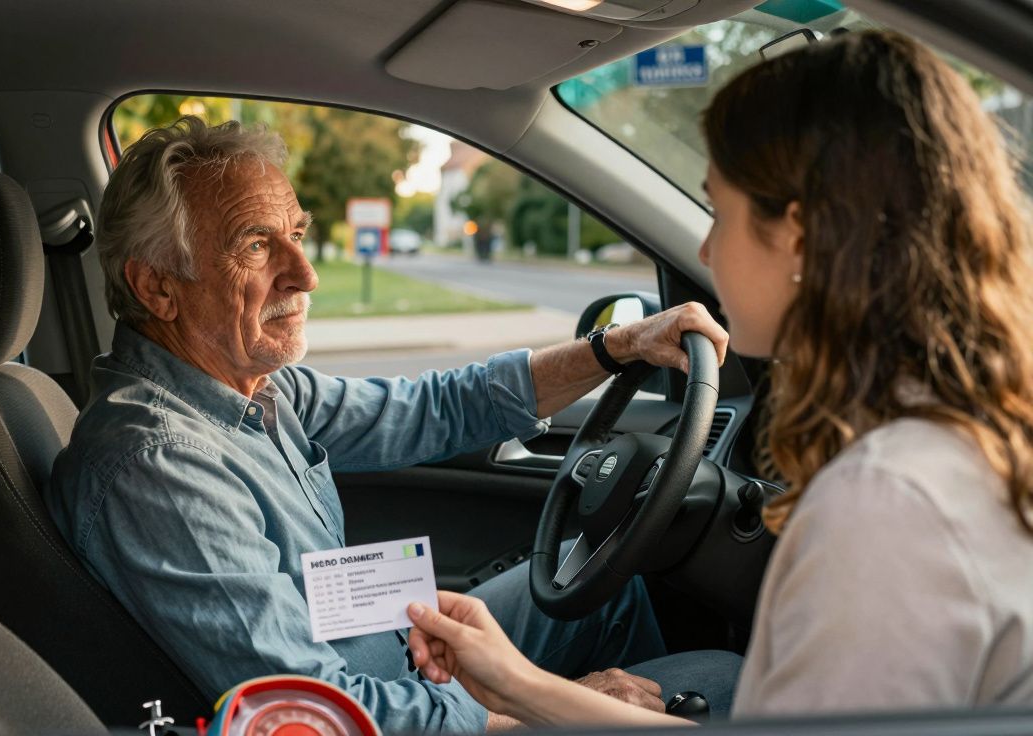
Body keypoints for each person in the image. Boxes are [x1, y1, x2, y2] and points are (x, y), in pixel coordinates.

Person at [401, 29, 1033, 727]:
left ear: (797, 236)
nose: (703, 247)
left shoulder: (885, 502)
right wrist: (525, 688)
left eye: (720, 211)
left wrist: (529, 694)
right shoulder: (969, 435)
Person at [45, 115, 740, 734]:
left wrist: (616, 346)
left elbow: (439, 407)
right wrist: (555, 707)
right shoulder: (158, 465)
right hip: (373, 705)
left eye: (296, 236)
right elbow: (318, 714)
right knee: (721, 680)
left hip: (385, 658)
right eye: (257, 246)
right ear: (157, 286)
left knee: (598, 594)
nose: (306, 274)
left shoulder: (253, 390)